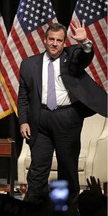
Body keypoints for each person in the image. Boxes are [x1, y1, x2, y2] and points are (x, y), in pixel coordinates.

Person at [17, 19, 107, 204]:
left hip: (67, 118)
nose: (54, 44)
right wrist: (23, 121)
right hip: (39, 120)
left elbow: (84, 57)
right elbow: (24, 96)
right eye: (51, 39)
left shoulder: (72, 55)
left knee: (67, 168)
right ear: (45, 40)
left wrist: (84, 42)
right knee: (38, 169)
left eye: (59, 40)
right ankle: (33, 208)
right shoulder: (28, 64)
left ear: (64, 42)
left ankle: (66, 208)